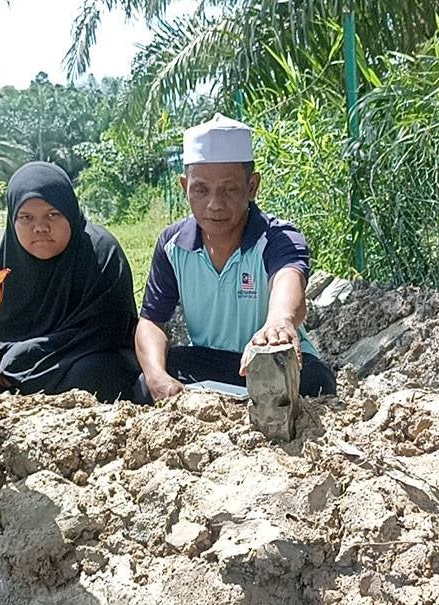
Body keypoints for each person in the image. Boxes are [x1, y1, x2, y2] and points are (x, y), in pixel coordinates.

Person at [134, 113, 336, 403]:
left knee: (315, 383)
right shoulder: (172, 245)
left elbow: (288, 281)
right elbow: (151, 321)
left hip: (273, 361)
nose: (215, 204)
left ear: (252, 186)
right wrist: (156, 376)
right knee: (145, 383)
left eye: (230, 189)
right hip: (209, 362)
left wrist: (279, 324)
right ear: (184, 187)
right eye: (201, 190)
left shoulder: (278, 238)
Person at [0, 161, 139, 402]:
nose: (40, 227)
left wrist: (24, 356)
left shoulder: (100, 254)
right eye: (26, 217)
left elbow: (110, 329)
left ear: (70, 212)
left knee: (101, 374)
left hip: (81, 358)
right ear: (12, 220)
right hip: (9, 373)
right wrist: (5, 359)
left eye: (53, 214)